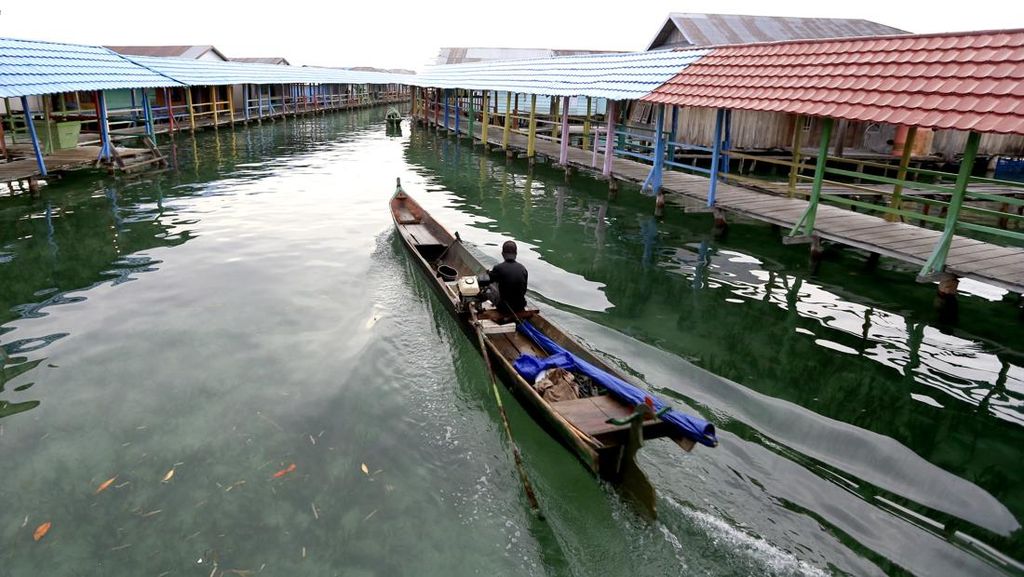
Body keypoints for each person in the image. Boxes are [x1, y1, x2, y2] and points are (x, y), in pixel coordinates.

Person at [485, 240, 528, 313]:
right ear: (516, 254)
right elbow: (524, 290)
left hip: (504, 308)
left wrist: (488, 274)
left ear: (502, 254)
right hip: (521, 306)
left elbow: (486, 280)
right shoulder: (523, 269)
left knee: (488, 288)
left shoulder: (498, 268)